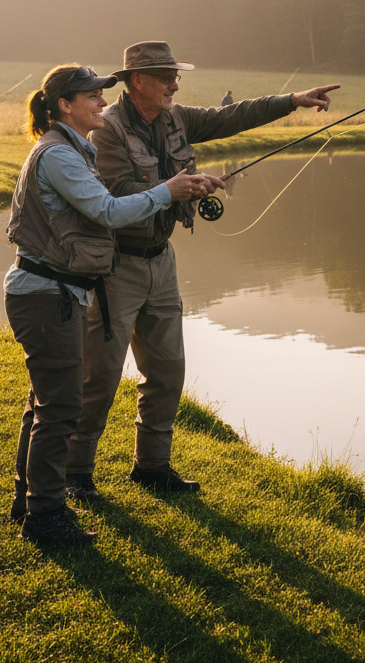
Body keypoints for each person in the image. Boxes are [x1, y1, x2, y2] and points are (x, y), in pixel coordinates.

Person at [65, 41, 339, 500]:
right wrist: (180, 187)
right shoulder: (107, 129)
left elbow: (230, 117)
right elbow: (116, 194)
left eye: (176, 76)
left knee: (169, 372)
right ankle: (75, 475)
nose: (175, 83)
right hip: (116, 267)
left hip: (161, 261)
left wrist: (292, 101)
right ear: (136, 82)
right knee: (101, 375)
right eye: (165, 76)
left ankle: (152, 468)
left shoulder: (175, 117)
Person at [4, 64, 205, 544]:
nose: (100, 101)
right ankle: (46, 516)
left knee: (45, 405)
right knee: (59, 408)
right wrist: (168, 191)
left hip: (56, 292)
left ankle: (27, 501)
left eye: (100, 93)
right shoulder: (60, 156)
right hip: (48, 295)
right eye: (90, 95)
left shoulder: (74, 148)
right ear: (63, 106)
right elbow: (108, 211)